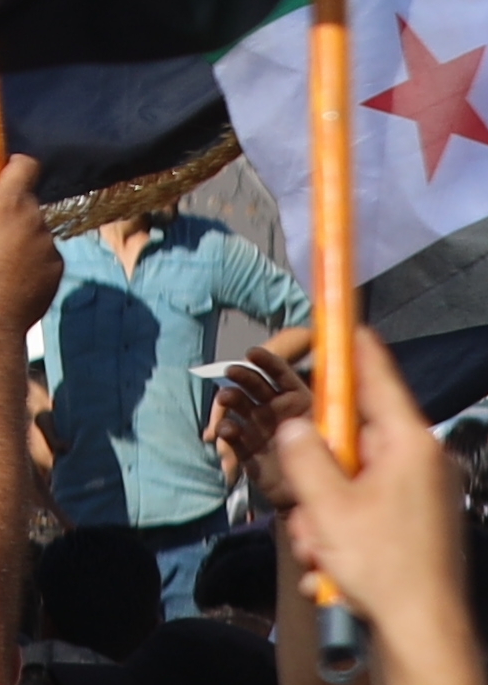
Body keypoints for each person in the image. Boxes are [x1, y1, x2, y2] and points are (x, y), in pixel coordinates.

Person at [38, 203, 299, 614]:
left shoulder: (208, 248)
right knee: (97, 675)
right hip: (88, 529)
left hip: (191, 528)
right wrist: (28, 404)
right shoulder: (53, 251)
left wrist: (242, 386)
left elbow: (308, 315)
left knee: (191, 671)